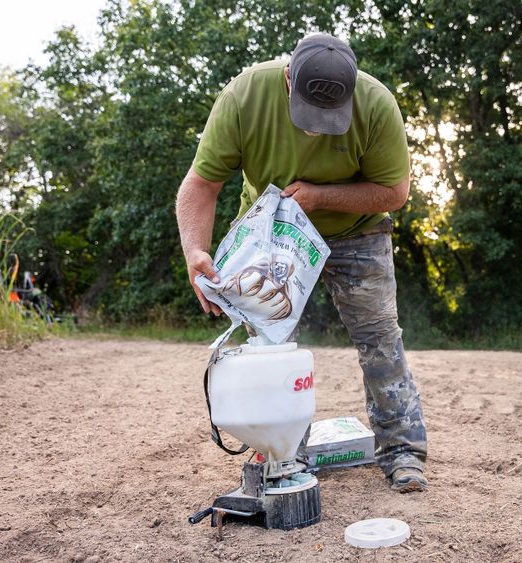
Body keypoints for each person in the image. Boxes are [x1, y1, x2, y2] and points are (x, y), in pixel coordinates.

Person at [175, 33, 427, 492]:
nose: (315, 128)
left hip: (357, 230)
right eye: (308, 114)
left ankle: (402, 450)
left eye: (329, 118)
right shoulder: (245, 95)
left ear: (351, 92)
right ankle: (283, 454)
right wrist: (196, 252)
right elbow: (201, 183)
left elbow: (395, 192)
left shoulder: (377, 105)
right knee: (269, 341)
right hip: (271, 231)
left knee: (379, 337)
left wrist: (320, 197)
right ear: (289, 79)